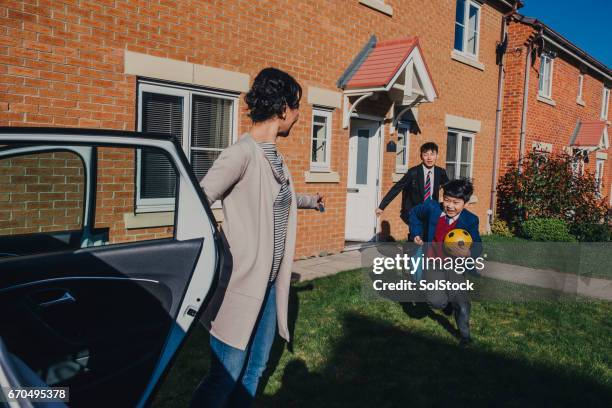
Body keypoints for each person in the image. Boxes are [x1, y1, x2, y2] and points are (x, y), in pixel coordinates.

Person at [191, 67, 324, 407]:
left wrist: (309, 201)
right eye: (296, 107)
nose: (298, 115)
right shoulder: (242, 153)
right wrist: (223, 245)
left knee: (256, 369)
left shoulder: (275, 156)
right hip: (241, 285)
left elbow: (271, 198)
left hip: (269, 285)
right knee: (225, 375)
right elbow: (195, 200)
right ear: (282, 109)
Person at [408, 178, 481, 346]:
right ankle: (446, 304)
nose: (450, 206)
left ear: (465, 203)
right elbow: (414, 214)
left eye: (456, 202)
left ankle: (465, 336)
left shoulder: (470, 220)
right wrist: (416, 233)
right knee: (435, 301)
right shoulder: (432, 208)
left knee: (461, 303)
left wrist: (469, 253)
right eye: (447, 200)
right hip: (433, 262)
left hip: (455, 266)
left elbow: (477, 245)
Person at [376, 142, 449, 227]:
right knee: (416, 237)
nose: (429, 158)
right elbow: (397, 188)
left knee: (430, 238)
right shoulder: (413, 172)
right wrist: (382, 206)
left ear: (437, 156)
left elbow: (450, 189)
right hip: (415, 213)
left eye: (432, 154)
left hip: (432, 212)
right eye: (425, 154)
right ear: (421, 156)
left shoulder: (440, 172)